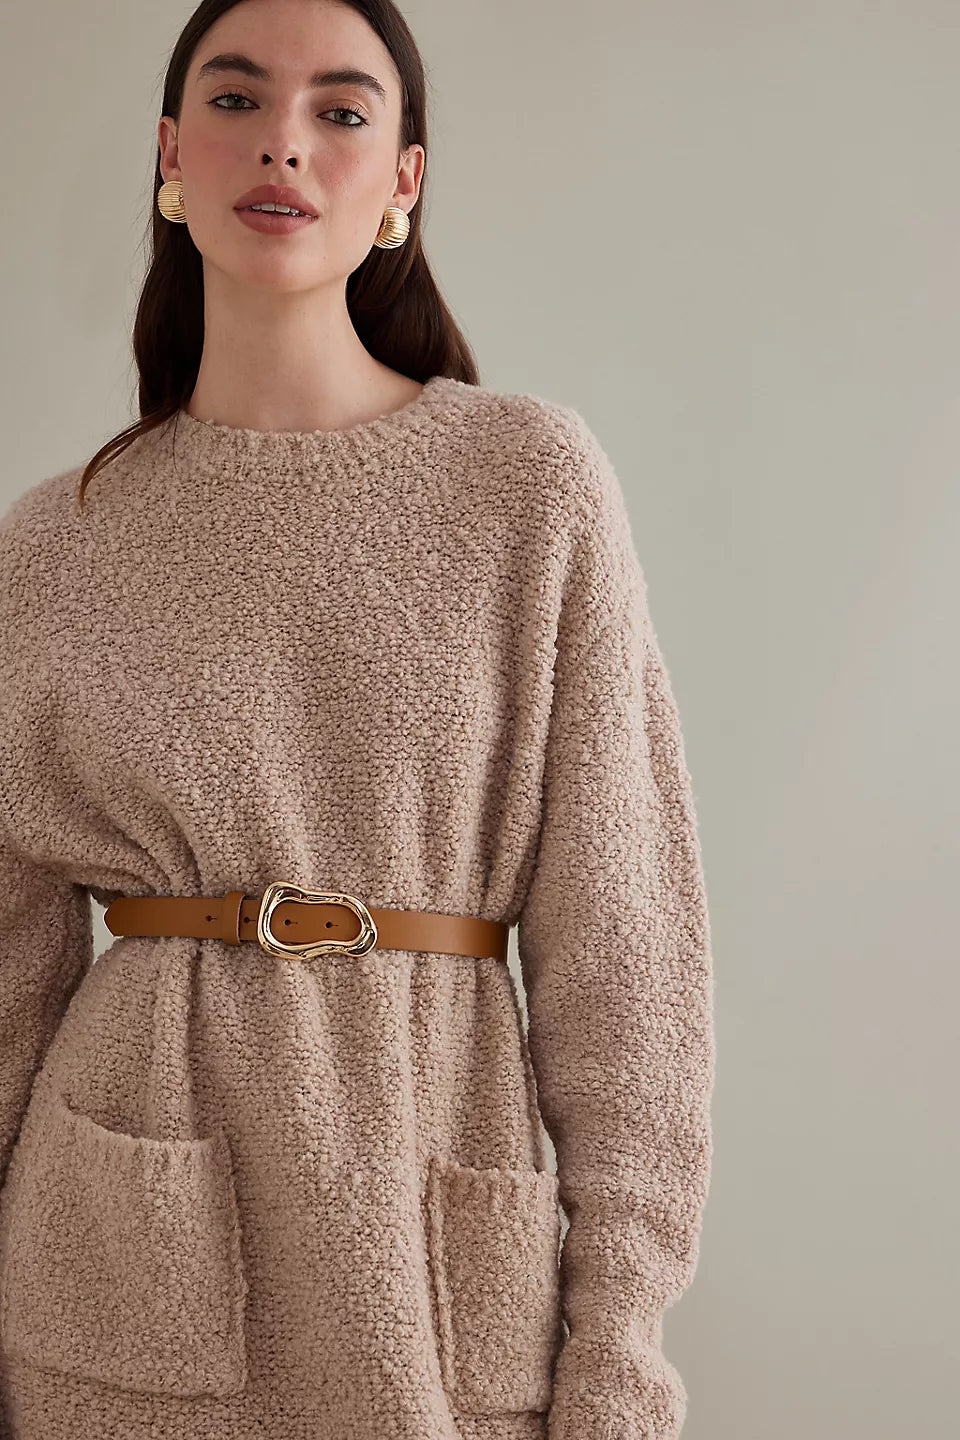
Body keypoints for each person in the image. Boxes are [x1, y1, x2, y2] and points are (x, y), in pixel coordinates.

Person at [0, 2, 715, 1438]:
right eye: (236, 99)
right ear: (171, 155)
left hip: (438, 1237)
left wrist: (621, 1352)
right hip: (115, 1270)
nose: (284, 141)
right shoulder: (52, 546)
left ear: (403, 179)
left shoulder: (529, 483)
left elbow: (628, 957)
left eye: (340, 111)